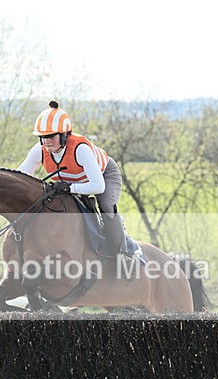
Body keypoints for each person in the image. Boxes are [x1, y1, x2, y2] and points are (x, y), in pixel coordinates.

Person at [18, 100, 135, 267]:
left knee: (106, 207)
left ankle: (124, 253)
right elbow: (21, 175)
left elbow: (98, 186)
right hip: (73, 183)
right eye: (42, 137)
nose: (46, 141)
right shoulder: (40, 150)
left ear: (65, 135)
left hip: (104, 176)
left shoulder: (80, 149)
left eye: (51, 136)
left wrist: (69, 188)